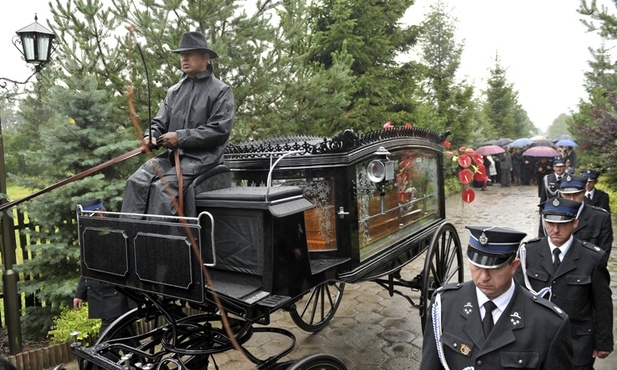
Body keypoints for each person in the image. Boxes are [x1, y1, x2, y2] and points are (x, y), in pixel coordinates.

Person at [421, 225, 573, 370]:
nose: (483, 277)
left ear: (514, 266)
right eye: (477, 266)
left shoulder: (548, 323)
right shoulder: (445, 304)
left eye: (494, 268)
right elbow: (430, 364)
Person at [121, 31, 235, 217]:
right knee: (137, 181)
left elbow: (219, 130)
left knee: (162, 190)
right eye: (182, 55)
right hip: (171, 157)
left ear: (205, 57)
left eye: (189, 54)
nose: (184, 58)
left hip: (203, 159)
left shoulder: (221, 91)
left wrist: (180, 137)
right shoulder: (174, 92)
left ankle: (160, 244)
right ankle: (131, 240)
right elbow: (159, 122)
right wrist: (150, 136)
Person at [515, 197, 613, 370]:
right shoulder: (528, 252)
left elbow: (602, 303)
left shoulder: (592, 258)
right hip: (536, 340)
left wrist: (603, 342)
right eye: (550, 224)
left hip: (577, 342)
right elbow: (515, 297)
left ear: (575, 223)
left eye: (562, 224)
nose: (555, 229)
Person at [558, 174, 613, 253]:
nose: (572, 199)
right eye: (567, 195)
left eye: (576, 194)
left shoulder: (601, 218)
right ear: (561, 194)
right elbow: (543, 249)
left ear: (584, 192)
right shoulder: (549, 216)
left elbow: (604, 252)